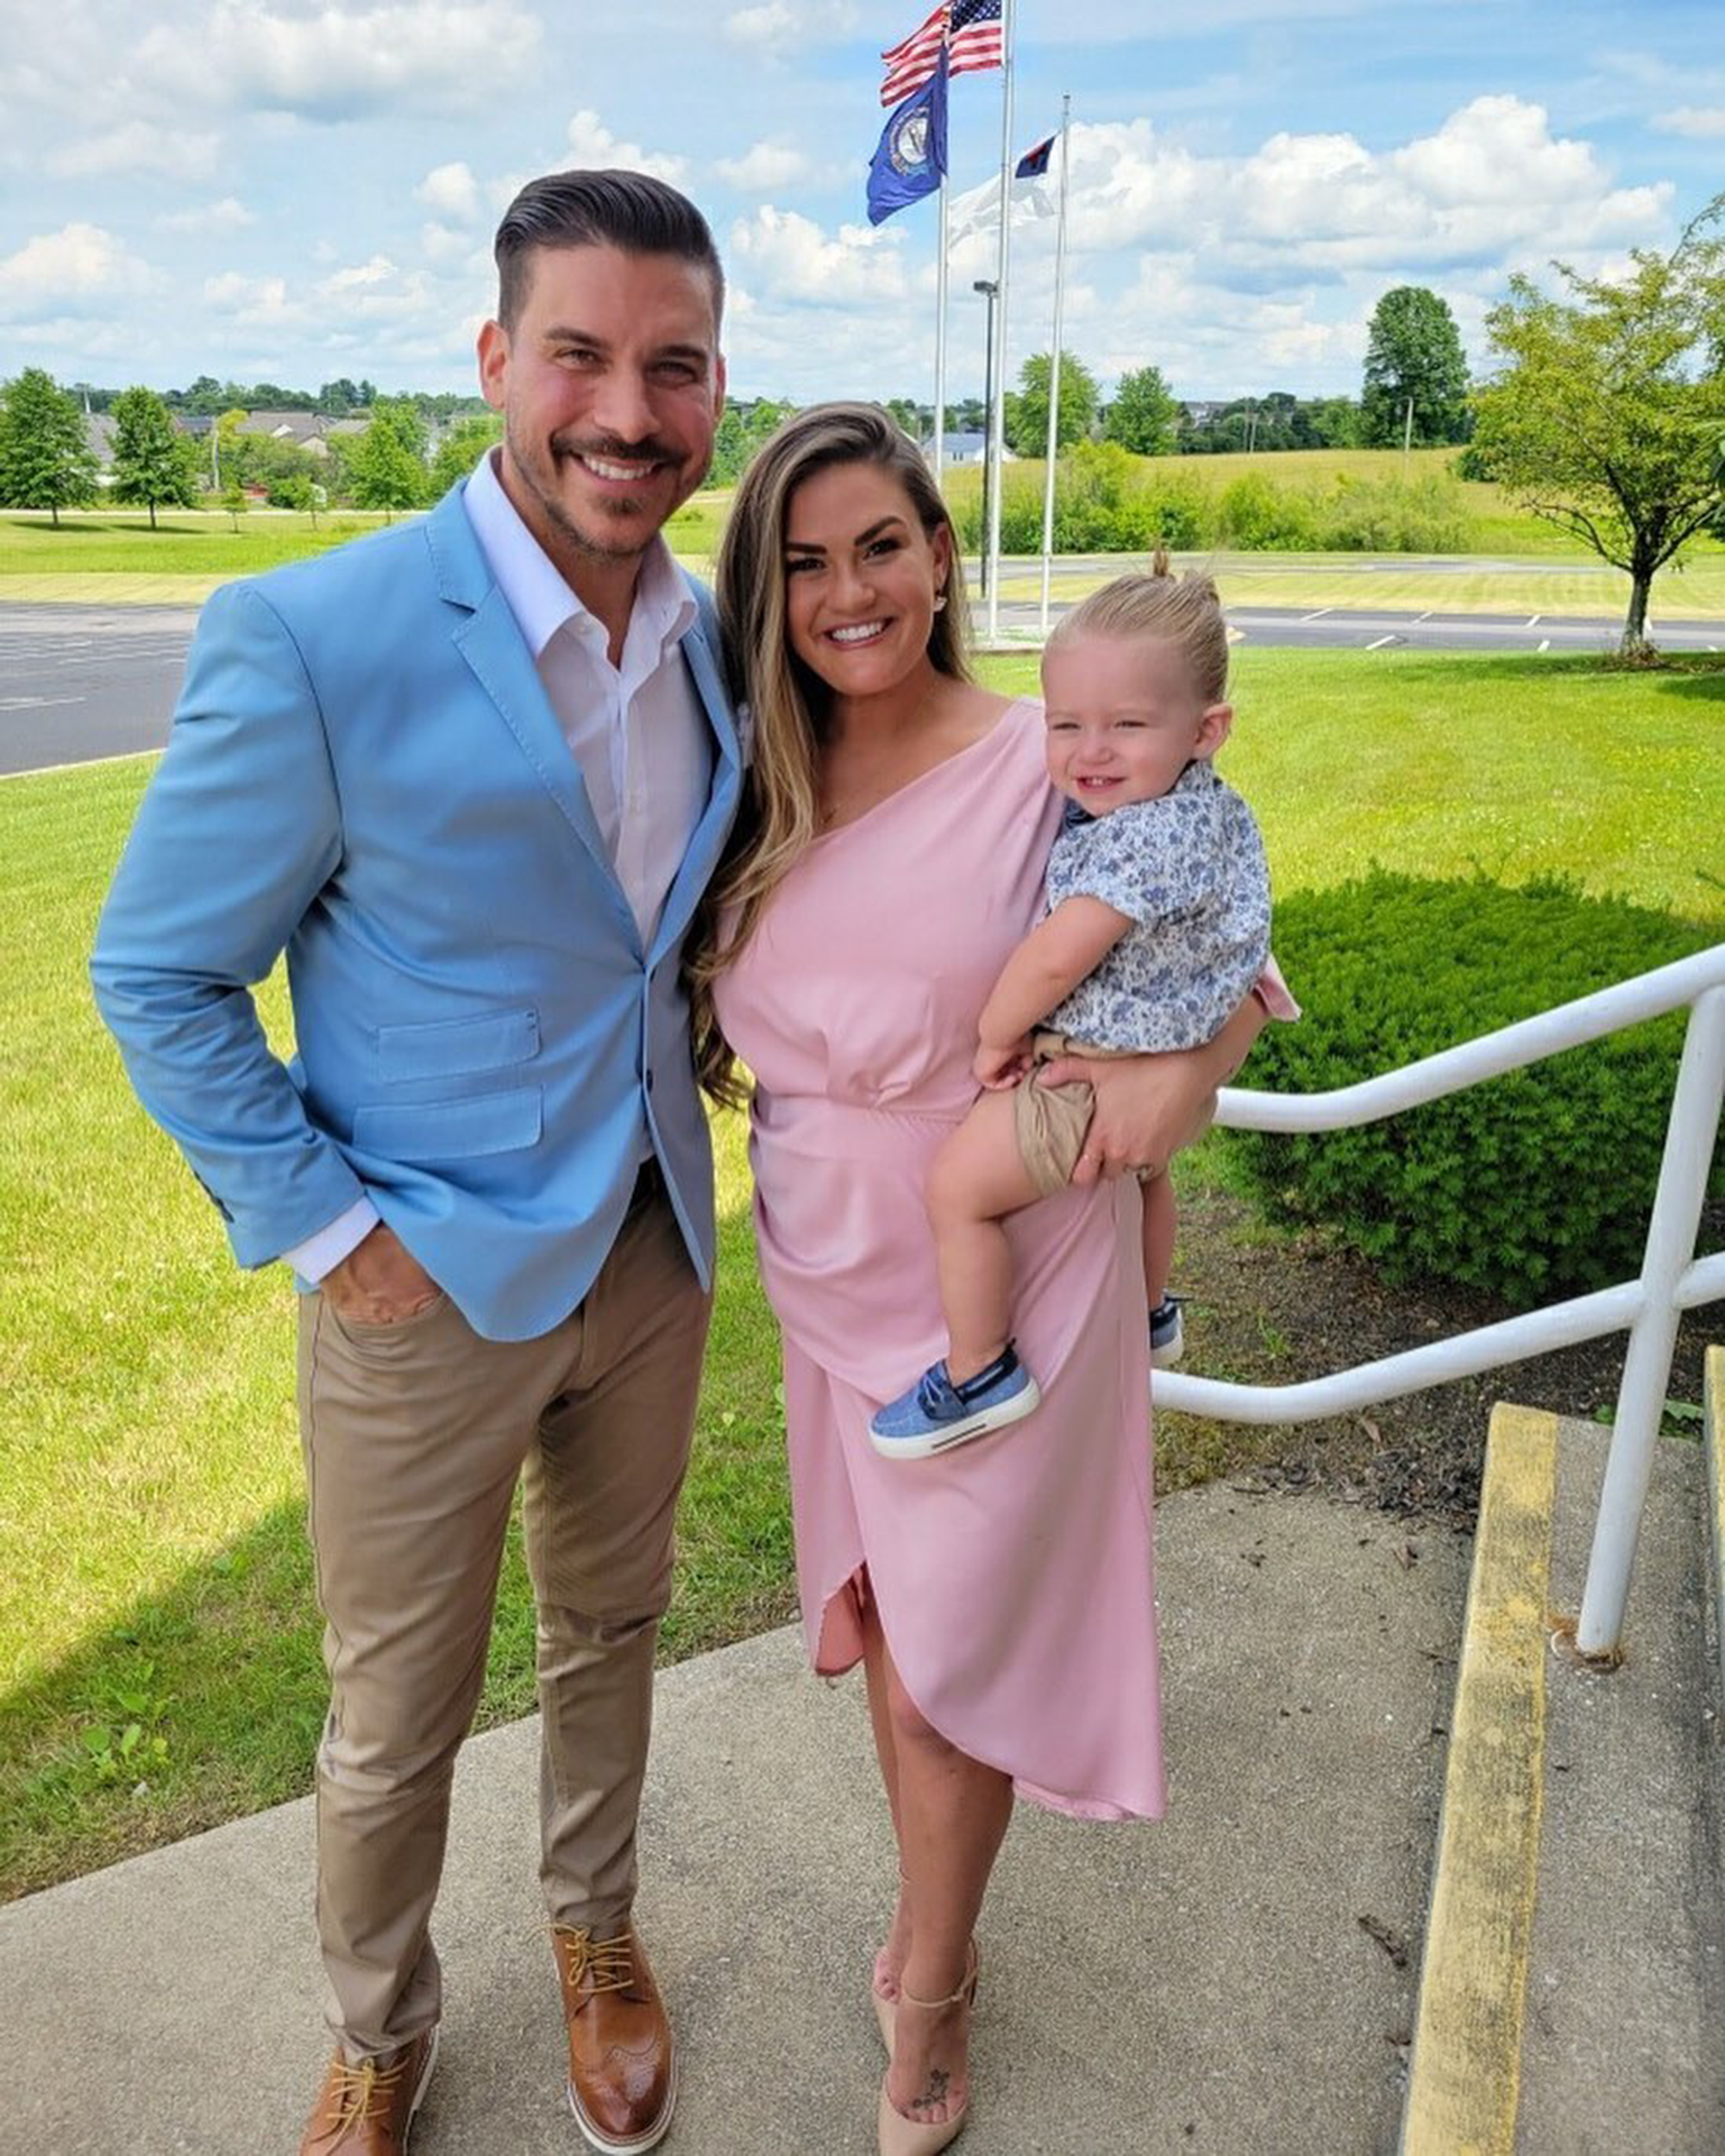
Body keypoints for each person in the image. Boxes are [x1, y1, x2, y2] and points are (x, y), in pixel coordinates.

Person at [91, 169, 738, 2156]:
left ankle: (596, 1930)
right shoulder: (314, 634)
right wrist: (335, 1236)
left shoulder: (716, 639)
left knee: (613, 1631)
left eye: (673, 365)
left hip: (644, 1251)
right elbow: (160, 971)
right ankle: (377, 2031)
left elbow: (671, 928)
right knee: (393, 1714)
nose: (625, 411)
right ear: (493, 360)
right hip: (418, 1284)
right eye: (580, 355)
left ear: (714, 390)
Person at [688, 403, 1289, 2156]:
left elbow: (1224, 944)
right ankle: (933, 1913)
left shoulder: (1051, 753)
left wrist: (1171, 1089)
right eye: (804, 560)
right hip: (823, 1254)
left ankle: (934, 1983)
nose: (847, 589)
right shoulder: (749, 766)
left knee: (952, 1653)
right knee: (890, 1623)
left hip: (1009, 1262)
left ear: (943, 554)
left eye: (881, 543)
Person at [868, 561, 1271, 1458]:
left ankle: (978, 1371)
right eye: (1064, 725)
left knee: (957, 1192)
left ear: (1207, 729)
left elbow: (1053, 957)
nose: (1088, 753)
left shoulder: (1132, 840)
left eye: (1126, 726)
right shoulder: (1208, 810)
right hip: (1173, 1062)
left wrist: (992, 1038)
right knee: (1148, 1177)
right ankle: (1149, 1307)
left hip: (1086, 1079)